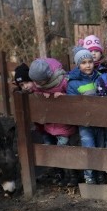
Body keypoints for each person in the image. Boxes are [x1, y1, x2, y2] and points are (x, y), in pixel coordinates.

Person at [28, 57, 79, 186]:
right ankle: (60, 174)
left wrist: (64, 97)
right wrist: (40, 94)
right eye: (36, 81)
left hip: (64, 124)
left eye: (40, 81)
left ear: (48, 77)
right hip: (49, 123)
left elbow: (74, 96)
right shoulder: (37, 85)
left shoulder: (62, 81)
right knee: (53, 149)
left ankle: (72, 175)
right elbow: (34, 91)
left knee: (64, 149)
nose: (38, 84)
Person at [67, 48, 105, 184]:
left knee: (101, 147)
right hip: (85, 123)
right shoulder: (73, 82)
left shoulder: (100, 76)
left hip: (101, 120)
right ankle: (89, 176)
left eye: (90, 61)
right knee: (89, 148)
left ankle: (101, 173)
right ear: (78, 65)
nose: (88, 65)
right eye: (83, 63)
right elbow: (73, 104)